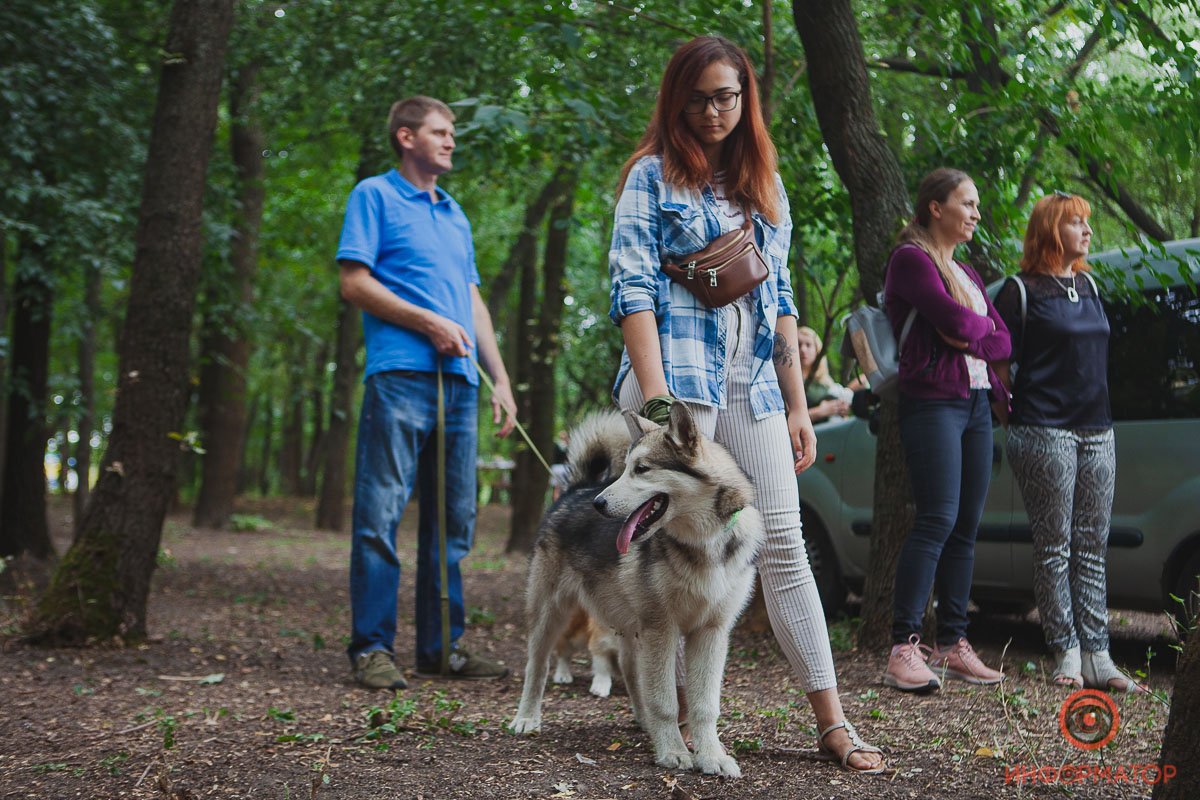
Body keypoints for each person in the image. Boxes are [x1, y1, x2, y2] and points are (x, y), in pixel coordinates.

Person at [608, 35, 885, 774]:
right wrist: (657, 401)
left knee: (784, 542)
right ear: (677, 102)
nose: (712, 111)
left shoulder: (764, 185)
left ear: (745, 98)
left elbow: (781, 299)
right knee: (669, 545)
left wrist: (796, 402)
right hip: (676, 383)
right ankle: (673, 721)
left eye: (726, 97)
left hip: (753, 383)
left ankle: (832, 721)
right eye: (698, 99)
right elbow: (632, 290)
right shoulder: (649, 177)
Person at [337, 95, 517, 690]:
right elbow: (354, 282)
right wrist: (427, 322)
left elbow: (472, 301)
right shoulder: (374, 195)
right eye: (440, 132)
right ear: (406, 136)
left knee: (453, 522)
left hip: (461, 385)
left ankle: (442, 650)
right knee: (380, 514)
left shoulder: (454, 213)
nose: (451, 141)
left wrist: (500, 378)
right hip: (399, 377)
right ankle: (371, 649)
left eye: (451, 133)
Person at [995, 193, 1138, 692]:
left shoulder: (1089, 284)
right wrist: (1012, 419)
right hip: (1043, 429)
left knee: (1092, 546)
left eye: (1086, 222)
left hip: (1098, 429)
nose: (1087, 230)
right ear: (1051, 231)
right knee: (1054, 546)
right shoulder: (1019, 291)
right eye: (1077, 222)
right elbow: (997, 366)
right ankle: (1067, 652)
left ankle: (1099, 655)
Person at [881, 168, 1012, 692]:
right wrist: (975, 330)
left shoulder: (969, 273)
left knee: (965, 526)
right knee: (936, 518)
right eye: (967, 203)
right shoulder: (911, 260)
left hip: (976, 403)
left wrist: (972, 333)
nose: (976, 213)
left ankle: (954, 643)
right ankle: (903, 648)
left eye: (976, 205)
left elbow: (1003, 341)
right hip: (933, 401)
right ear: (936, 208)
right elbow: (959, 325)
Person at [797, 325, 851, 423]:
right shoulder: (791, 383)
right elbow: (789, 418)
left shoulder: (825, 380)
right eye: (798, 344)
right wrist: (820, 412)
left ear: (817, 350)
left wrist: (842, 408)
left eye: (808, 345)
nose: (803, 349)